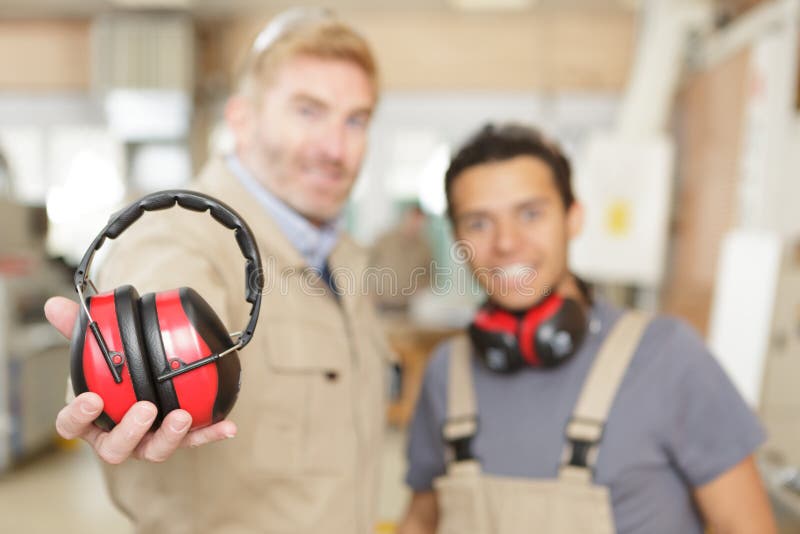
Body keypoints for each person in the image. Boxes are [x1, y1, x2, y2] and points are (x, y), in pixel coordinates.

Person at [46, 9, 394, 533]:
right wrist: (113, 401)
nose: (336, 148)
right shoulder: (179, 236)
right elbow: (143, 327)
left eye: (355, 119)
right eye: (308, 111)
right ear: (242, 119)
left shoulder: (342, 256)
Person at [397, 124, 776, 534]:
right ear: (457, 240)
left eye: (530, 214)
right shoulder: (447, 373)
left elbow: (747, 526)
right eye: (479, 223)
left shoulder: (668, 357)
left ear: (573, 218)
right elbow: (421, 519)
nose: (507, 242)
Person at [368, 203, 433, 317]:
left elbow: (431, 275)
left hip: (405, 307)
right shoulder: (385, 240)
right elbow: (366, 264)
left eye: (420, 222)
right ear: (406, 217)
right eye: (414, 220)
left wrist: (419, 286)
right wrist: (369, 290)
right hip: (379, 305)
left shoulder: (424, 247)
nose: (416, 225)